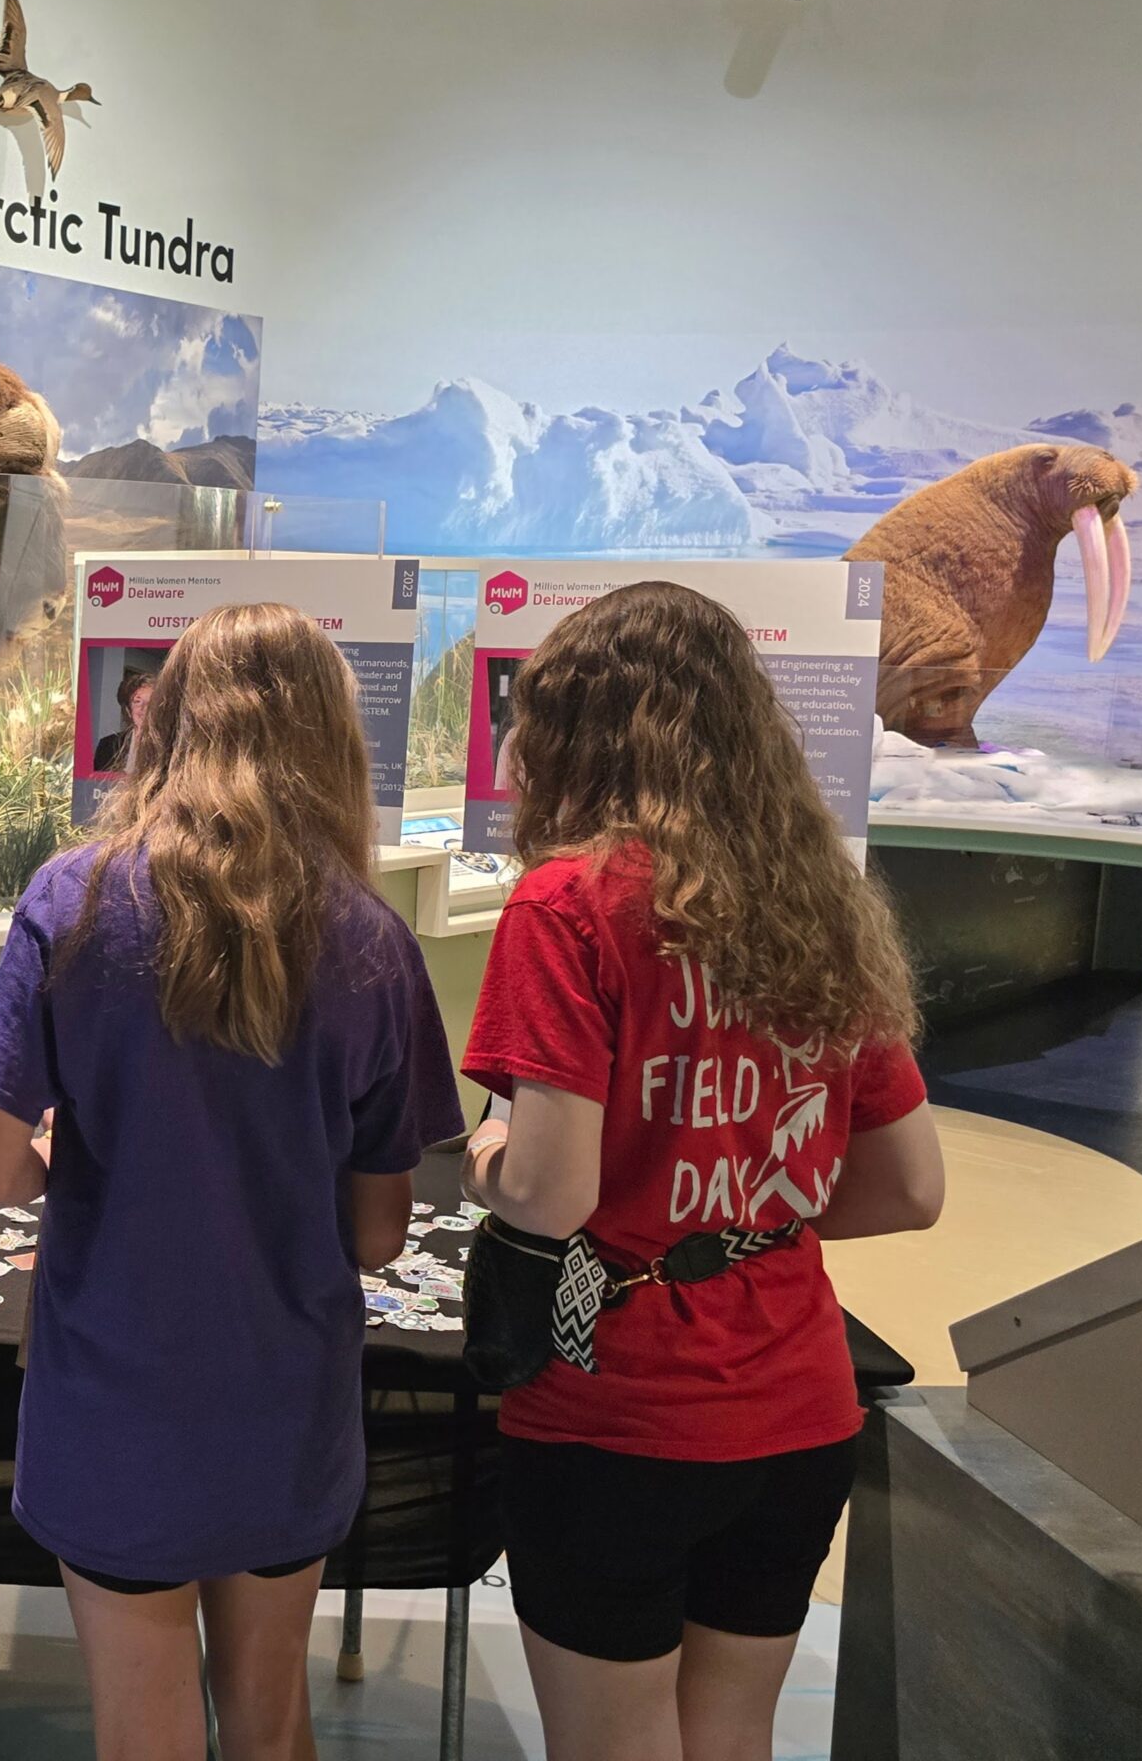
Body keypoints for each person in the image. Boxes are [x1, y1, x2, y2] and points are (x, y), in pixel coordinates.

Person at [0, 602, 467, 1761]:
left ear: (165, 723)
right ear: (333, 738)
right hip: (284, 1398)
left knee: (143, 1731)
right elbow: (379, 1235)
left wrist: (60, 1158)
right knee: (272, 1720)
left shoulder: (69, 902)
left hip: (113, 1397)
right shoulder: (373, 943)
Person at [458, 580, 946, 1761]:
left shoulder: (567, 906)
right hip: (796, 1405)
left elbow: (550, 1193)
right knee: (729, 1740)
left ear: (575, 734)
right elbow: (910, 1188)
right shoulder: (820, 905)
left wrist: (489, 1157)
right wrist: (736, 1210)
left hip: (617, 1413)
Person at [92, 667, 152, 773]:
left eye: (151, 702)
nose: (145, 708)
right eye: (137, 702)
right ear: (128, 709)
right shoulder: (107, 745)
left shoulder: (172, 746)